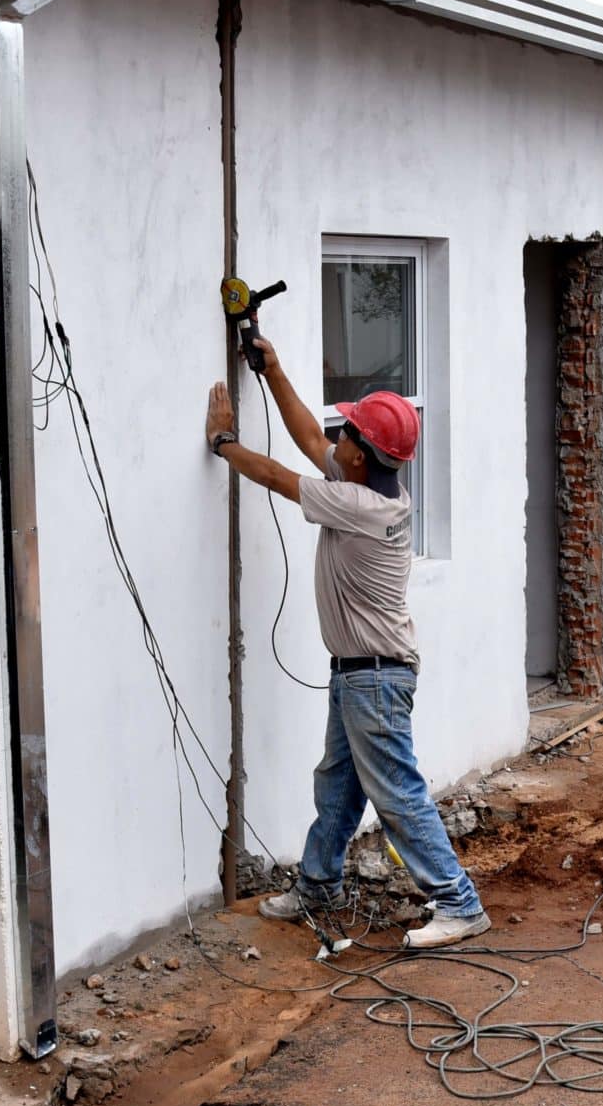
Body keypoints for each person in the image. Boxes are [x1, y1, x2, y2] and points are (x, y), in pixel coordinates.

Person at [205, 340, 491, 948]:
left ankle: (459, 902)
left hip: (375, 677)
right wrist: (272, 369)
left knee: (396, 792)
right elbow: (310, 437)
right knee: (338, 782)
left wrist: (223, 443)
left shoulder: (357, 505)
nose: (336, 436)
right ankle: (318, 885)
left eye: (348, 433)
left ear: (359, 457)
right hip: (361, 673)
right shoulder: (371, 486)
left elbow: (279, 475)